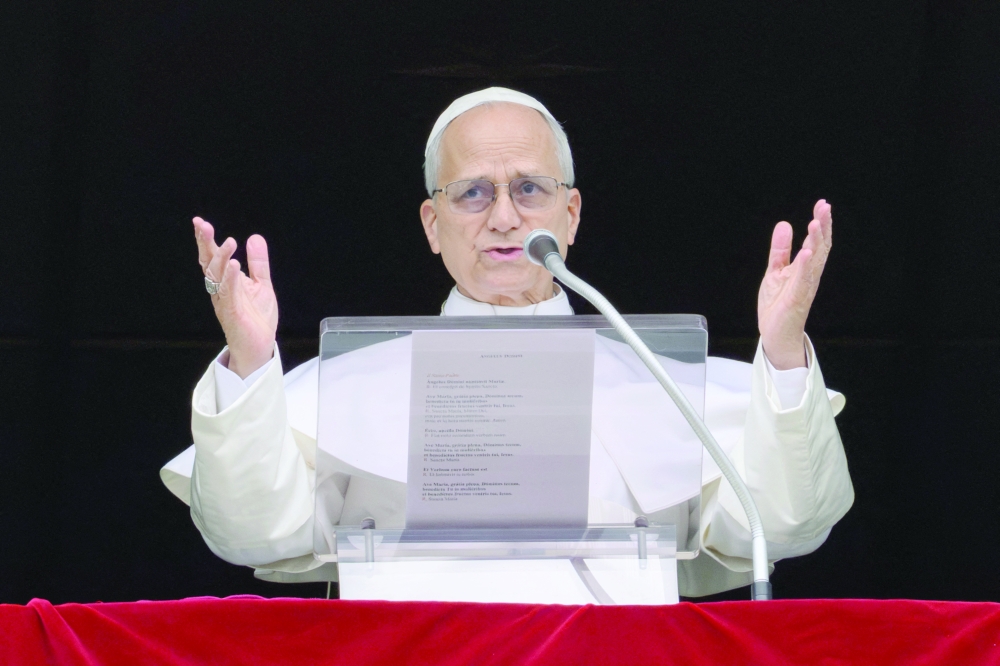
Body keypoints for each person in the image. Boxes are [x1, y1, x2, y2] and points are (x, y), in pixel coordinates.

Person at [160, 87, 853, 597]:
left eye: (528, 188)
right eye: (471, 194)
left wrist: (786, 352)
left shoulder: (656, 381)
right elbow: (251, 535)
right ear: (432, 225)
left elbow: (787, 527)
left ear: (570, 213)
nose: (502, 217)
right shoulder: (351, 389)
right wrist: (252, 364)